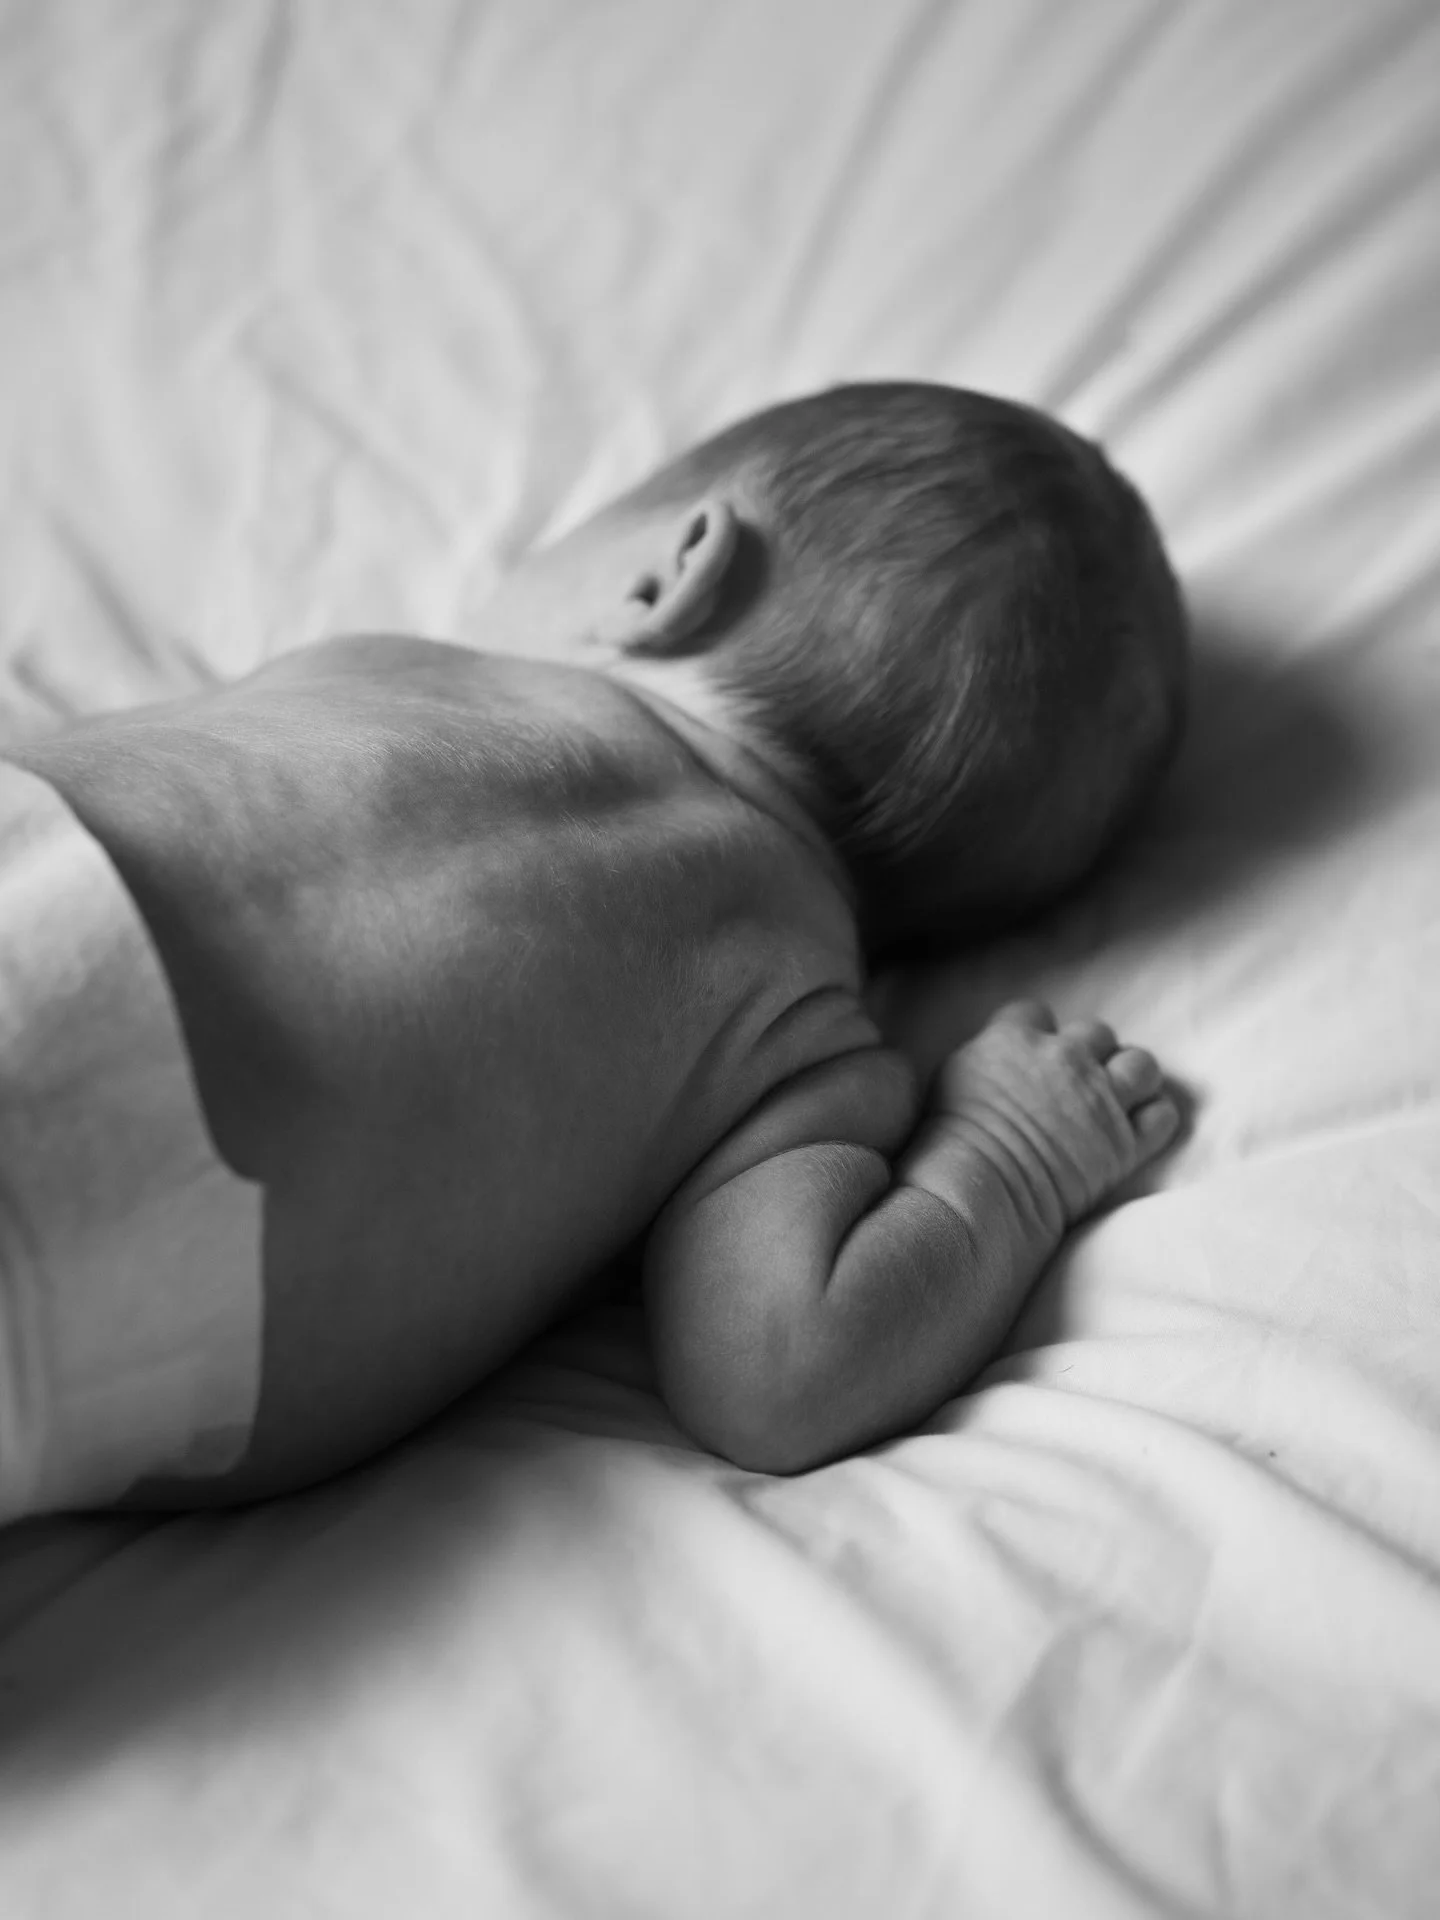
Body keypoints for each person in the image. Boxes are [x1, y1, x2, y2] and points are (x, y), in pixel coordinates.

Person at [1, 381, 1187, 1520]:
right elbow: (783, 1367)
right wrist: (1007, 1159)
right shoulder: (793, 1031)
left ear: (670, 573)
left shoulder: (372, 668)